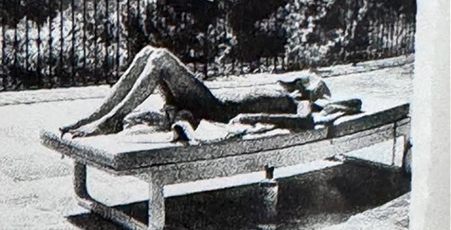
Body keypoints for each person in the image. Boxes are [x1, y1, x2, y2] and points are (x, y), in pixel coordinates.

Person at [60, 45, 361, 139]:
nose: (302, 76)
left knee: (160, 58)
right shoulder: (284, 86)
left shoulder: (302, 103)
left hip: (217, 108)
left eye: (308, 79)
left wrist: (251, 117)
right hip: (214, 99)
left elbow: (306, 123)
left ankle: (109, 120)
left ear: (312, 89)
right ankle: (98, 115)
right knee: (148, 53)